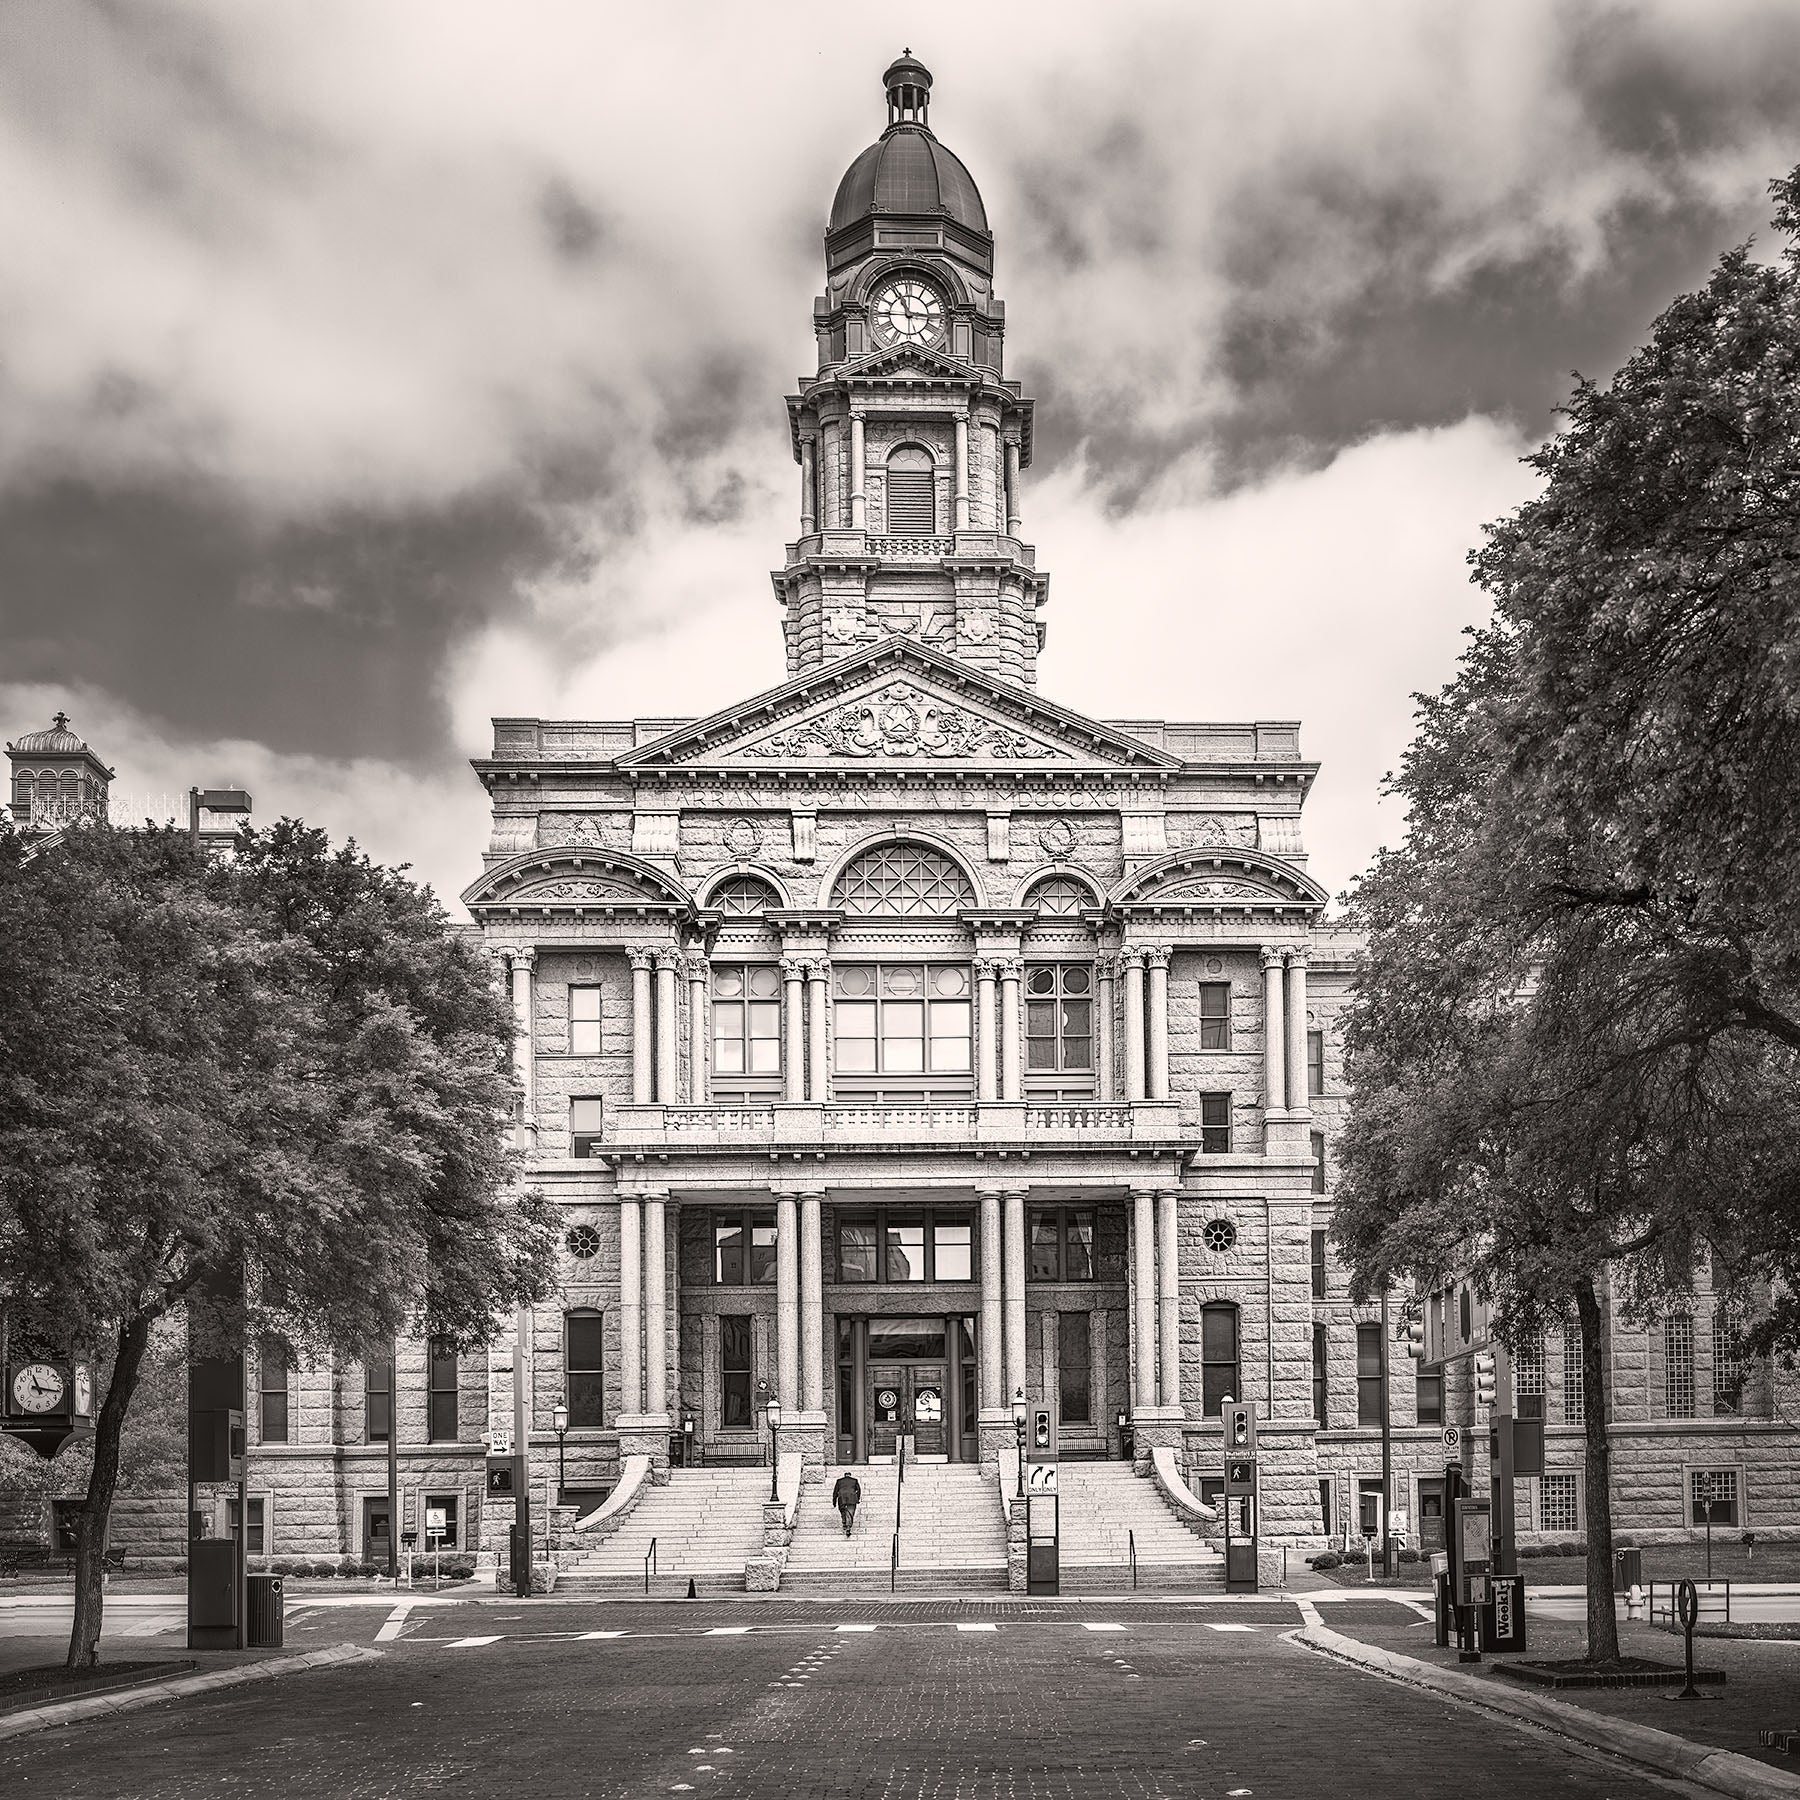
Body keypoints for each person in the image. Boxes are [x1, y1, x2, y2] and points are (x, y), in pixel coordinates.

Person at [832, 1469, 862, 1537]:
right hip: (852, 1498)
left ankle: (844, 1523)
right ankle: (848, 1527)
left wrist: (834, 1501)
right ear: (850, 1475)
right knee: (850, 1512)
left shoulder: (839, 1481)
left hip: (842, 1498)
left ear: (844, 1475)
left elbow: (835, 1492)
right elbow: (859, 1490)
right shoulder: (854, 1480)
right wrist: (857, 1498)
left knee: (843, 1510)